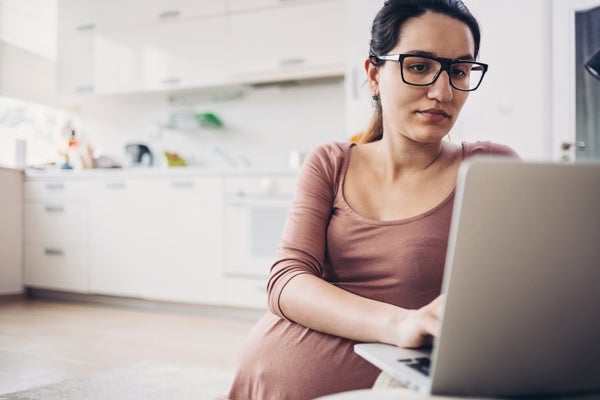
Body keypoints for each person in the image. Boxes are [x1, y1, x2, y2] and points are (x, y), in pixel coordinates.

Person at [226, 0, 518, 399]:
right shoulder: (331, 162)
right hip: (268, 377)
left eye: (460, 71)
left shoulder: (490, 167)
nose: (442, 91)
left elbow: (524, 293)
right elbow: (285, 282)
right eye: (419, 66)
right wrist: (401, 324)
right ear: (374, 74)